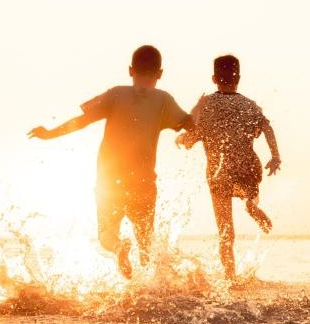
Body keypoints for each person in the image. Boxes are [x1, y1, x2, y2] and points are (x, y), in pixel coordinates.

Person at [29, 45, 191, 278]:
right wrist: (200, 111)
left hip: (110, 179)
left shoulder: (116, 94)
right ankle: (153, 292)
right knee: (146, 242)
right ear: (160, 73)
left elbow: (82, 121)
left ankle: (119, 248)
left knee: (107, 234)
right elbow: (191, 125)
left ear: (130, 70)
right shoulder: (164, 100)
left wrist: (50, 133)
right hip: (143, 182)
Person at [176, 55, 282, 279]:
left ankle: (230, 277)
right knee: (251, 193)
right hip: (247, 167)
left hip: (218, 174)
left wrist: (182, 140)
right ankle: (252, 205)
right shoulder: (249, 105)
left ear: (214, 78)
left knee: (225, 232)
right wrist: (275, 156)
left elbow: (191, 136)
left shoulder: (207, 107)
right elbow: (267, 128)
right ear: (239, 78)